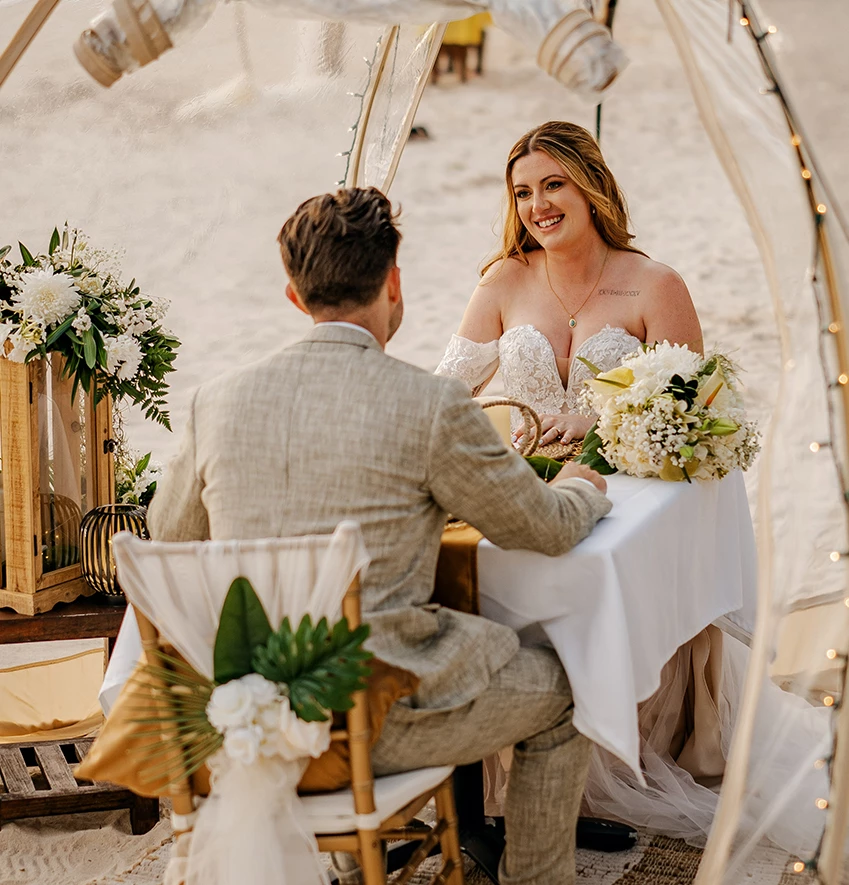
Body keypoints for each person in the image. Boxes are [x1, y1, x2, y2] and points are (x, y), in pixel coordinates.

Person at [148, 186, 612, 885]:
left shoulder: (218, 399)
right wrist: (582, 485)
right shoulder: (429, 404)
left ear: (293, 297)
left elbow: (167, 535)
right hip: (379, 720)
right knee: (572, 690)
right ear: (393, 283)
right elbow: (542, 528)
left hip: (241, 720)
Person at [436, 121, 830, 855]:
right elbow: (441, 396)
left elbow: (694, 414)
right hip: (534, 494)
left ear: (590, 186)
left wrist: (600, 413)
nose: (537, 205)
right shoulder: (502, 280)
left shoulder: (655, 283)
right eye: (522, 191)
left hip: (628, 495)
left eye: (552, 184)